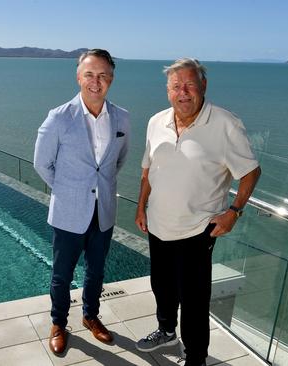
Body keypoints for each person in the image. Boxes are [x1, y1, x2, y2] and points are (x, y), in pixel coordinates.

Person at [134, 58, 261, 366]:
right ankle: (166, 331)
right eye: (176, 86)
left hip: (198, 229)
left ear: (203, 86)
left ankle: (196, 358)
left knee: (193, 300)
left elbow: (251, 171)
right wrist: (141, 208)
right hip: (159, 223)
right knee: (161, 286)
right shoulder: (156, 121)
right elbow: (147, 169)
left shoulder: (225, 123)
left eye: (190, 85)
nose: (184, 92)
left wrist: (234, 211)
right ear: (167, 91)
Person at [33, 48, 130, 355]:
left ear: (111, 79)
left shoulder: (122, 118)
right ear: (78, 77)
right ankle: (58, 323)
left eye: (102, 75)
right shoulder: (58, 117)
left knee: (97, 271)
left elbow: (117, 162)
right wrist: (68, 190)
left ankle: (91, 316)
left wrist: (96, 188)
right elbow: (41, 163)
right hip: (68, 212)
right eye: (89, 74)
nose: (95, 82)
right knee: (61, 275)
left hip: (103, 212)